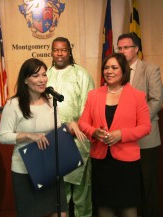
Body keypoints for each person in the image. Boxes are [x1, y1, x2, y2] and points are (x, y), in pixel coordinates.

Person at [78, 53, 151, 217]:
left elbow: (146, 127)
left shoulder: (137, 96)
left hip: (127, 163)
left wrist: (121, 134)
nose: (109, 71)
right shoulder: (94, 95)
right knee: (104, 205)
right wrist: (94, 132)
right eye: (106, 67)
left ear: (123, 71)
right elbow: (83, 123)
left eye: (114, 67)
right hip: (101, 161)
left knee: (128, 206)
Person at [0, 58, 68, 217]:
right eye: (36, 76)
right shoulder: (13, 105)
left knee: (60, 213)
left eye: (44, 75)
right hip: (25, 170)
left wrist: (68, 127)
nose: (42, 80)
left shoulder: (51, 101)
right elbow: (3, 136)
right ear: (25, 79)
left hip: (51, 167)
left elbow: (56, 128)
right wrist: (28, 136)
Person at [46, 36, 95, 217]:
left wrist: (77, 126)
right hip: (54, 140)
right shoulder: (46, 74)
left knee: (82, 192)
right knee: (60, 192)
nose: (59, 53)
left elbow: (88, 106)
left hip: (78, 139)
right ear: (51, 52)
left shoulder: (80, 74)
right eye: (56, 50)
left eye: (63, 50)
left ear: (69, 52)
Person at [117, 33, 163, 217]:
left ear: (136, 49)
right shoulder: (115, 70)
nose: (122, 51)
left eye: (126, 47)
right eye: (119, 48)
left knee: (147, 185)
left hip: (145, 139)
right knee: (127, 186)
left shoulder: (150, 69)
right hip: (121, 140)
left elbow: (156, 100)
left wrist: (137, 124)